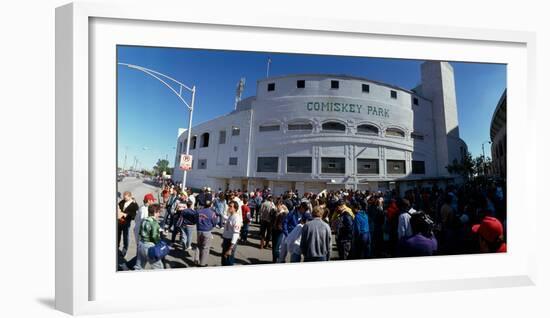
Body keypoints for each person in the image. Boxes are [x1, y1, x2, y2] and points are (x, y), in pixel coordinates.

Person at [134, 204, 164, 270]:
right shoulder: (154, 222)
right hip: (149, 247)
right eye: (158, 212)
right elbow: (154, 236)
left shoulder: (144, 220)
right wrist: (159, 244)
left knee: (139, 267)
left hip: (141, 244)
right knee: (159, 267)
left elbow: (140, 232)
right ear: (155, 212)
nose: (159, 214)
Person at [195, 200, 218, 266]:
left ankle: (196, 259)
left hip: (199, 230)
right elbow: (214, 222)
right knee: (205, 248)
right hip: (207, 231)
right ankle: (202, 263)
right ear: (210, 205)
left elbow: (196, 219)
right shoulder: (212, 213)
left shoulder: (198, 211)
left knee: (199, 245)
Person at [117, 191, 139, 257]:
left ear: (130, 197)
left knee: (125, 236)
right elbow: (118, 206)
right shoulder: (122, 201)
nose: (124, 199)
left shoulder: (134, 204)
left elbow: (134, 215)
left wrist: (127, 215)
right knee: (117, 235)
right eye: (124, 197)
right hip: (119, 221)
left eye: (126, 198)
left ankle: (124, 250)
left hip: (126, 223)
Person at [221, 201, 242, 266]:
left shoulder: (236, 218)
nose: (229, 207)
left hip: (230, 242)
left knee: (228, 261)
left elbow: (236, 234)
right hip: (226, 240)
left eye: (231, 206)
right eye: (229, 206)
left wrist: (230, 248)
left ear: (235, 208)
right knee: (224, 260)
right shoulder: (231, 216)